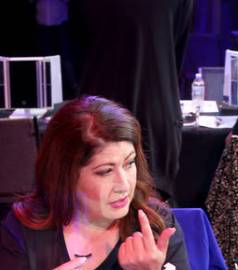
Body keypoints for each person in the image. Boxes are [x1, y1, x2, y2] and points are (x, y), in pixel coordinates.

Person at [0, 96, 197, 270]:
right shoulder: (26, 224)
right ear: (65, 175)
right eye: (105, 171)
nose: (124, 185)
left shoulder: (155, 224)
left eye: (129, 163)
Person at [73, 0, 193, 200]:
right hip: (153, 102)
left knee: (103, 198)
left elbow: (77, 47)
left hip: (103, 105)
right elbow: (176, 49)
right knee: (149, 206)